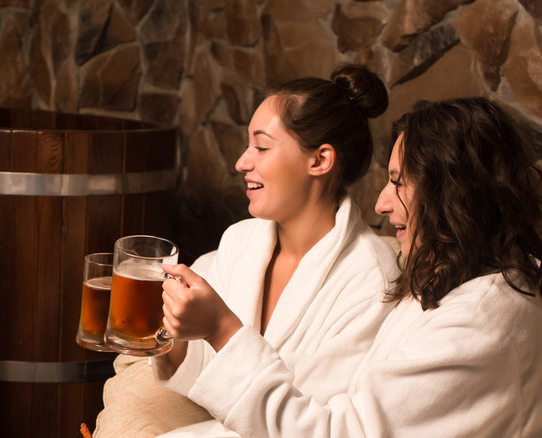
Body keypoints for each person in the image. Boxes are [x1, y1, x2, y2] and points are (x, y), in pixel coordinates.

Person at [158, 97, 542, 437]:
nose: (381, 204)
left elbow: (339, 429)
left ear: (453, 193)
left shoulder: (480, 321)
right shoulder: (444, 280)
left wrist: (223, 330)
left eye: (397, 182)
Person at [132, 64, 400, 437]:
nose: (242, 162)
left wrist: (218, 328)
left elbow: (311, 425)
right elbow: (206, 374)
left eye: (261, 146)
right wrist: (164, 333)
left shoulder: (371, 280)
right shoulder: (241, 243)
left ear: (320, 160)